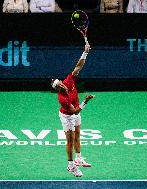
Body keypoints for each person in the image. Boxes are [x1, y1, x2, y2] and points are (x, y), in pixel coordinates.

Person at [51, 43, 94, 177]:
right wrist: (85, 102)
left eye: (61, 82)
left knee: (78, 134)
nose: (62, 85)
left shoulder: (69, 80)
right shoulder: (62, 98)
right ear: (57, 89)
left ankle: (79, 158)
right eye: (59, 86)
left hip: (75, 112)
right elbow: (75, 111)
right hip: (67, 116)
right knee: (70, 140)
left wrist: (85, 52)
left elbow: (78, 67)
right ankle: (71, 166)